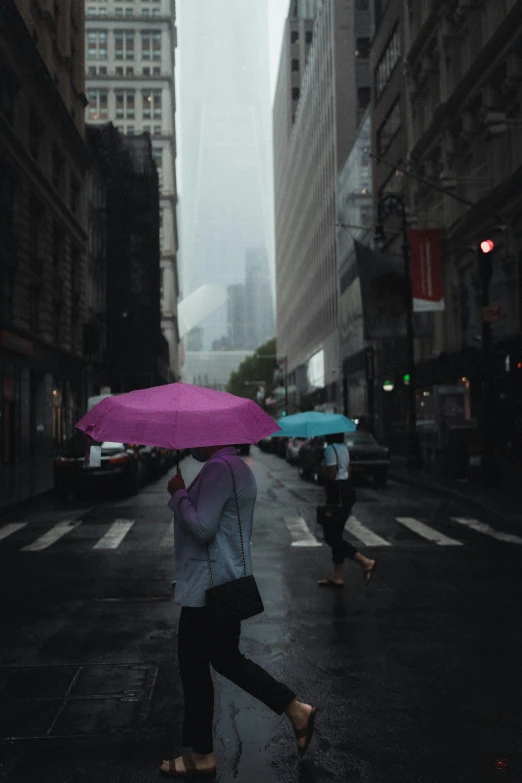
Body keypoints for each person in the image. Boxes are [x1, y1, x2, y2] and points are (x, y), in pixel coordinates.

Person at [160, 444, 317, 777]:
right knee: (221, 660)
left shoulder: (220, 469)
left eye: (195, 438)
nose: (189, 445)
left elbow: (203, 527)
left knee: (198, 665)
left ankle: (204, 753)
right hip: (221, 584)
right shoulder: (236, 468)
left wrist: (178, 495)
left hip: (209, 590)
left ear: (211, 437)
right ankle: (293, 709)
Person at [317, 433, 377, 588]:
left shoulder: (330, 449)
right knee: (336, 533)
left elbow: (331, 473)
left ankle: (365, 562)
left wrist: (320, 471)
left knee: (331, 537)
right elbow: (348, 471)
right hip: (347, 492)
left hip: (337, 495)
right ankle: (337, 575)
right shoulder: (343, 448)